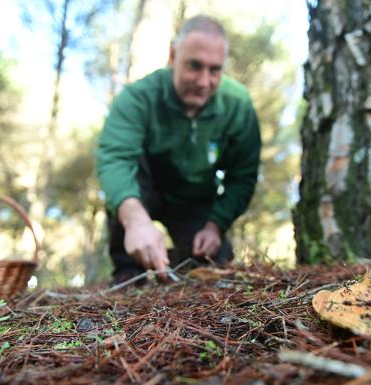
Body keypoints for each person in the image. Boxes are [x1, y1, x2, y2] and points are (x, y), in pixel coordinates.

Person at [95, 15, 261, 283]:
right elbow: (114, 157)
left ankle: (176, 261)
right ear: (173, 56)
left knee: (214, 267)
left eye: (214, 70)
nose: (203, 81)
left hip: (193, 200)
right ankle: (128, 272)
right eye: (194, 66)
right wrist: (134, 219)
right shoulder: (138, 98)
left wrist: (215, 225)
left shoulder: (238, 106)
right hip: (143, 193)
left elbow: (242, 175)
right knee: (127, 185)